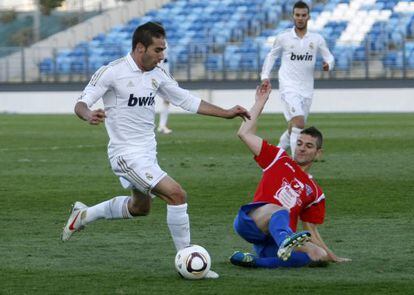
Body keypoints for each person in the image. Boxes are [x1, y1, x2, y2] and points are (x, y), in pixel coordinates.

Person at [61, 22, 250, 279]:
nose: (163, 56)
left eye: (163, 50)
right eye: (158, 50)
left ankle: (83, 215)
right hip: (125, 155)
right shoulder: (112, 72)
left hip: (148, 155)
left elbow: (185, 99)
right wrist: (88, 114)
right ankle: (190, 260)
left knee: (140, 208)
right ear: (140, 48)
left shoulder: (157, 74)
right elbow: (81, 102)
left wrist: (226, 113)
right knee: (176, 194)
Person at [229, 83, 350, 269]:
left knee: (318, 255)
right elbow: (244, 133)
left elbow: (311, 230)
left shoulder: (315, 192)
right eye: (300, 143)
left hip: (273, 241)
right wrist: (260, 101)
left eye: (309, 146)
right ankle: (285, 240)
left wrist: (331, 256)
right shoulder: (278, 158)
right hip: (253, 223)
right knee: (279, 210)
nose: (301, 148)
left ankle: (256, 262)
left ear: (318, 153)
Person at [260, 1, 334, 158]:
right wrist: (265, 76)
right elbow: (271, 56)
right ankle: (296, 168)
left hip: (307, 89)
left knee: (295, 127)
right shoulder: (284, 38)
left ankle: (274, 157)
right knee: (299, 123)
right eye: (297, 15)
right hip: (289, 86)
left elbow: (329, 56)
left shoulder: (317, 39)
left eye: (303, 15)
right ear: (293, 16)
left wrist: (329, 64)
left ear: (308, 17)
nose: (300, 18)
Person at [156, 37, 172, 134]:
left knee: (167, 100)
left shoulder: (163, 42)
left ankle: (162, 126)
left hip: (163, 74)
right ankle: (161, 126)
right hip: (158, 74)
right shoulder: (159, 43)